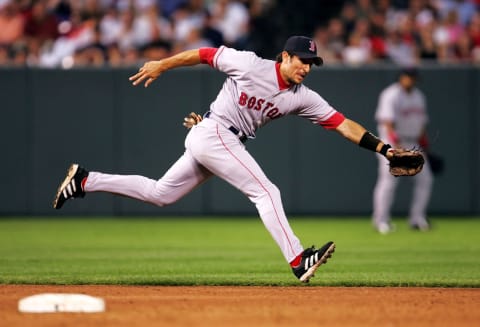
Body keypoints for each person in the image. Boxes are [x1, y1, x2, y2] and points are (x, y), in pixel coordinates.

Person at [53, 35, 396, 282]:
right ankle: (298, 259)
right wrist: (163, 64)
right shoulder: (250, 64)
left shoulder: (302, 97)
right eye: (302, 61)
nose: (306, 68)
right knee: (267, 192)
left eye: (312, 63)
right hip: (214, 132)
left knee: (161, 194)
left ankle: (84, 180)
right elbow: (203, 54)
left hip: (219, 138)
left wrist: (386, 150)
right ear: (285, 57)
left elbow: (343, 125)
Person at [372, 67, 433, 234]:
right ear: (402, 77)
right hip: (390, 143)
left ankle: (417, 218)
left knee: (425, 179)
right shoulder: (390, 95)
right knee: (389, 181)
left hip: (412, 142)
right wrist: (397, 149)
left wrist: (426, 148)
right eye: (409, 77)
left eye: (414, 77)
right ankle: (381, 221)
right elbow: (387, 123)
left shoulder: (419, 96)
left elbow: (421, 125)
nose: (412, 80)